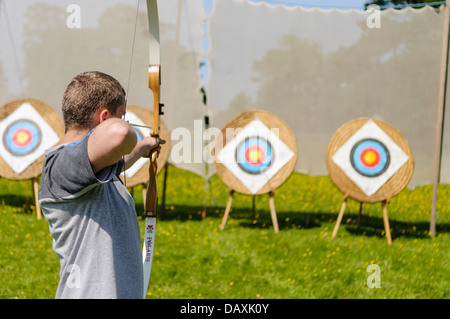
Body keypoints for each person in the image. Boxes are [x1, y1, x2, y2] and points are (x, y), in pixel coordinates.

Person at [38, 71, 163, 299]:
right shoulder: (61, 166)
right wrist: (121, 126)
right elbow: (119, 134)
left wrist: (143, 147)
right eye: (122, 115)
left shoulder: (92, 170)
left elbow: (117, 163)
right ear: (104, 118)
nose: (125, 122)